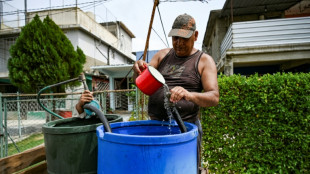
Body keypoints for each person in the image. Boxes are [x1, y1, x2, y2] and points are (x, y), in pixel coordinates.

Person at [133, 13, 219, 173]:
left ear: (196, 35)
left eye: (184, 38)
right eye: (175, 38)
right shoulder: (162, 55)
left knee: (184, 169)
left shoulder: (204, 61)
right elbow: (140, 82)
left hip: (185, 130)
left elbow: (214, 97)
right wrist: (137, 69)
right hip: (156, 128)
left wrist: (189, 94)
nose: (178, 43)